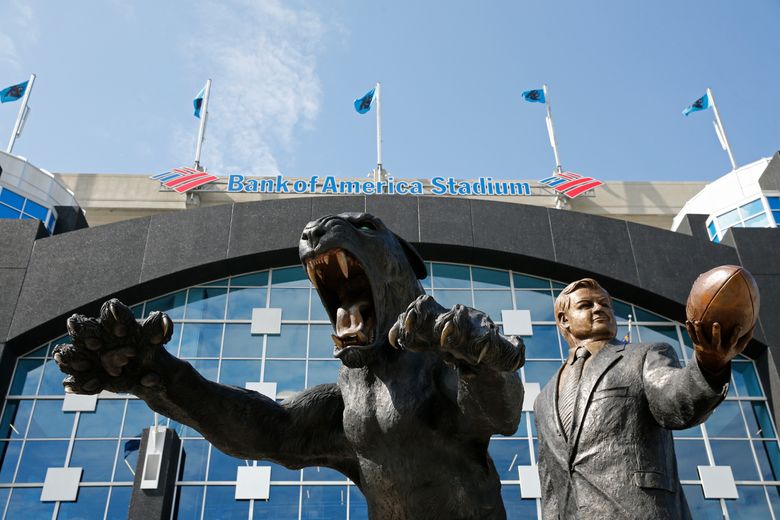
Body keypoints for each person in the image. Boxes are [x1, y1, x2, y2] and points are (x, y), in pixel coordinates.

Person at [534, 278, 751, 519]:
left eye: (604, 304)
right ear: (564, 319)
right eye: (586, 305)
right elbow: (550, 483)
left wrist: (709, 366)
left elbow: (676, 400)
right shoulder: (543, 398)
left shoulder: (644, 355)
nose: (599, 309)